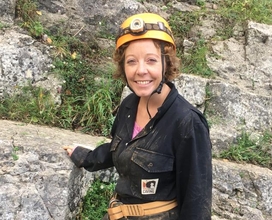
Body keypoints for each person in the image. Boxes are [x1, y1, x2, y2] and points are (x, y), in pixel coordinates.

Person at [63, 12, 212, 220]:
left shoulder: (187, 123)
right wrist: (85, 157)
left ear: (166, 64)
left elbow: (197, 203)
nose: (141, 70)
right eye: (131, 61)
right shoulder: (129, 106)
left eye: (151, 60)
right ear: (123, 67)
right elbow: (119, 147)